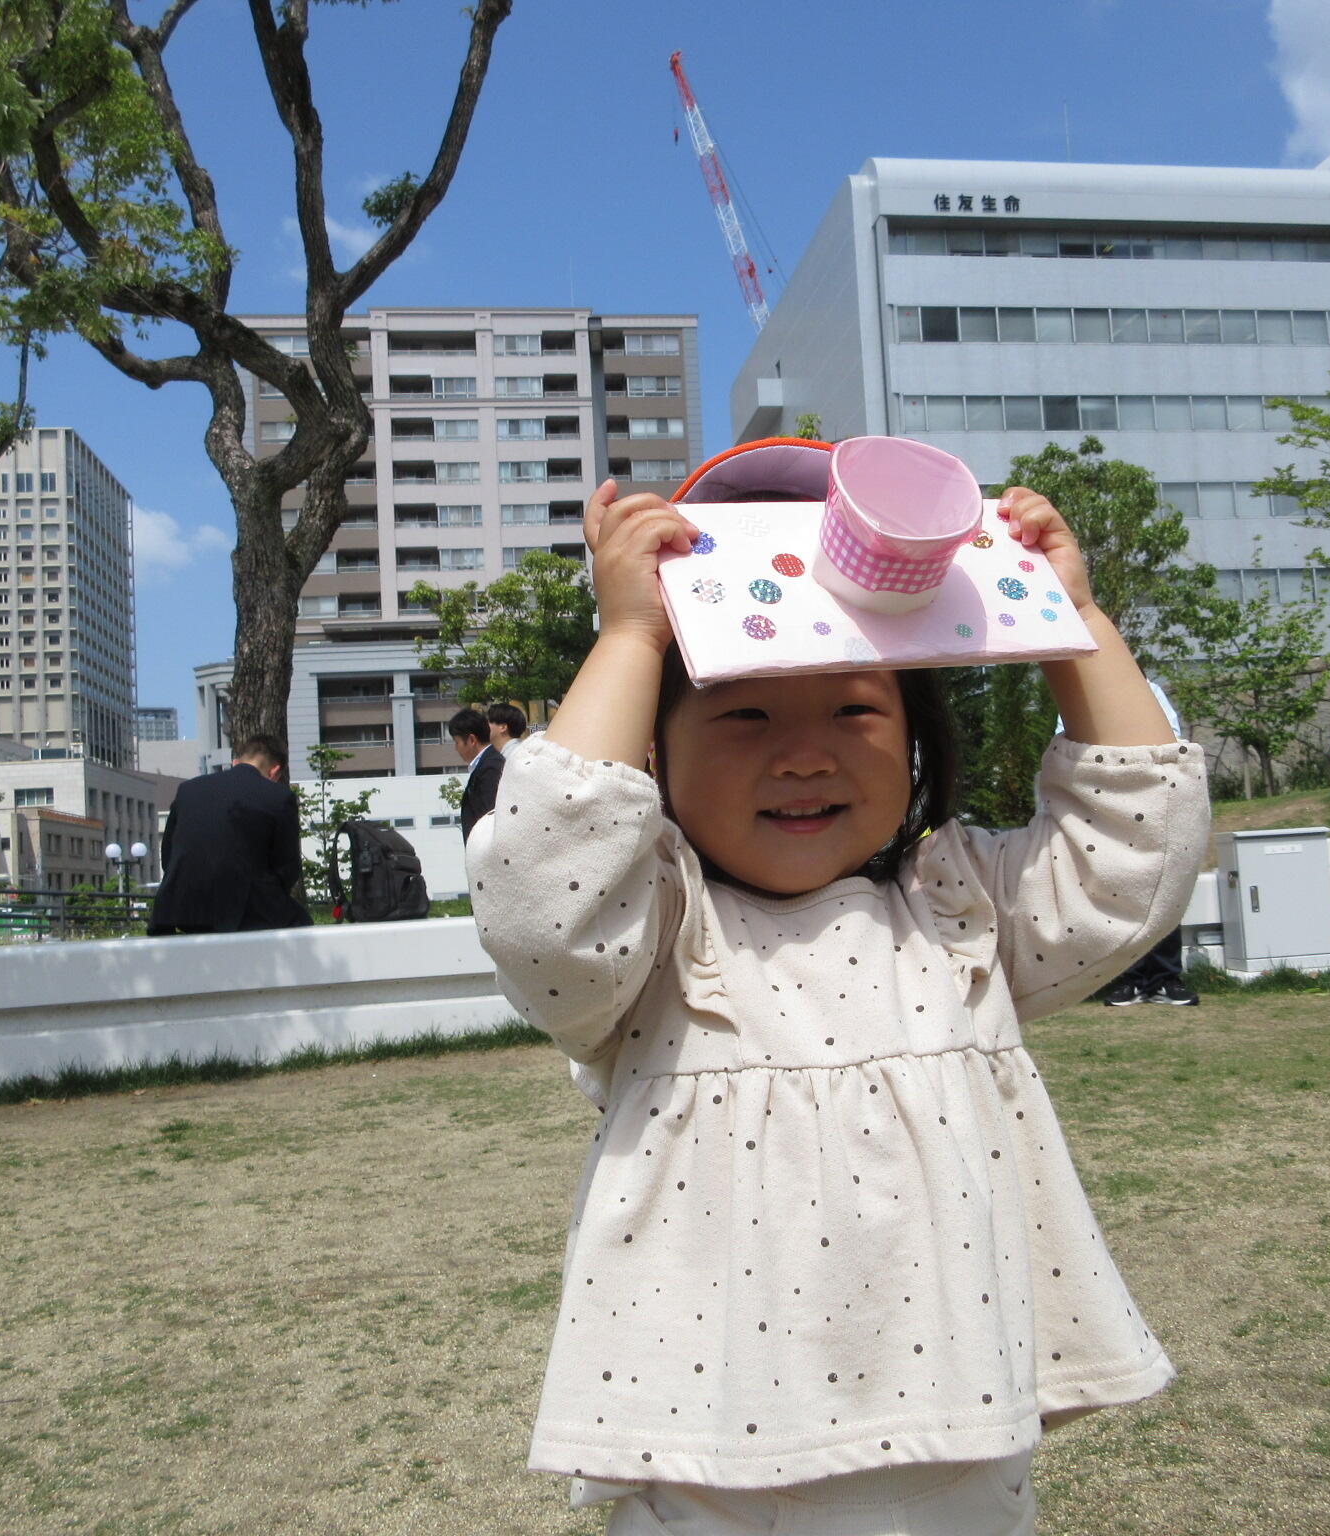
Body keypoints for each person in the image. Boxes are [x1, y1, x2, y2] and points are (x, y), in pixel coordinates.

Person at [470, 444, 1207, 1534]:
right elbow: (540, 901)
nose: (805, 755)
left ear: (916, 746)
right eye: (745, 714)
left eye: (856, 712)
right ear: (651, 761)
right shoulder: (656, 937)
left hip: (955, 1451)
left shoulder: (958, 908)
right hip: (713, 1458)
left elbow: (1135, 854)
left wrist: (1078, 624)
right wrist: (628, 637)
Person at [146, 734, 311, 935]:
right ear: (274, 771)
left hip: (178, 907)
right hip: (241, 908)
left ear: (235, 762)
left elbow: (168, 855)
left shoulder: (188, 789)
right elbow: (287, 866)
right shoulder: (279, 797)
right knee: (302, 924)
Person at [1102, 679, 1197, 1006]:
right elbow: (1066, 742)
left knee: (1163, 892)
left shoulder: (1149, 691)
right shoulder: (1081, 698)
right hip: (1108, 805)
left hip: (1155, 799)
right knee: (1120, 896)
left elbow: (1171, 737)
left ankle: (1166, 979)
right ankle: (1128, 980)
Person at [449, 707, 504, 845]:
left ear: (472, 740)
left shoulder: (491, 767)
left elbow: (490, 816)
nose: (456, 749)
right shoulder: (487, 764)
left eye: (457, 742)